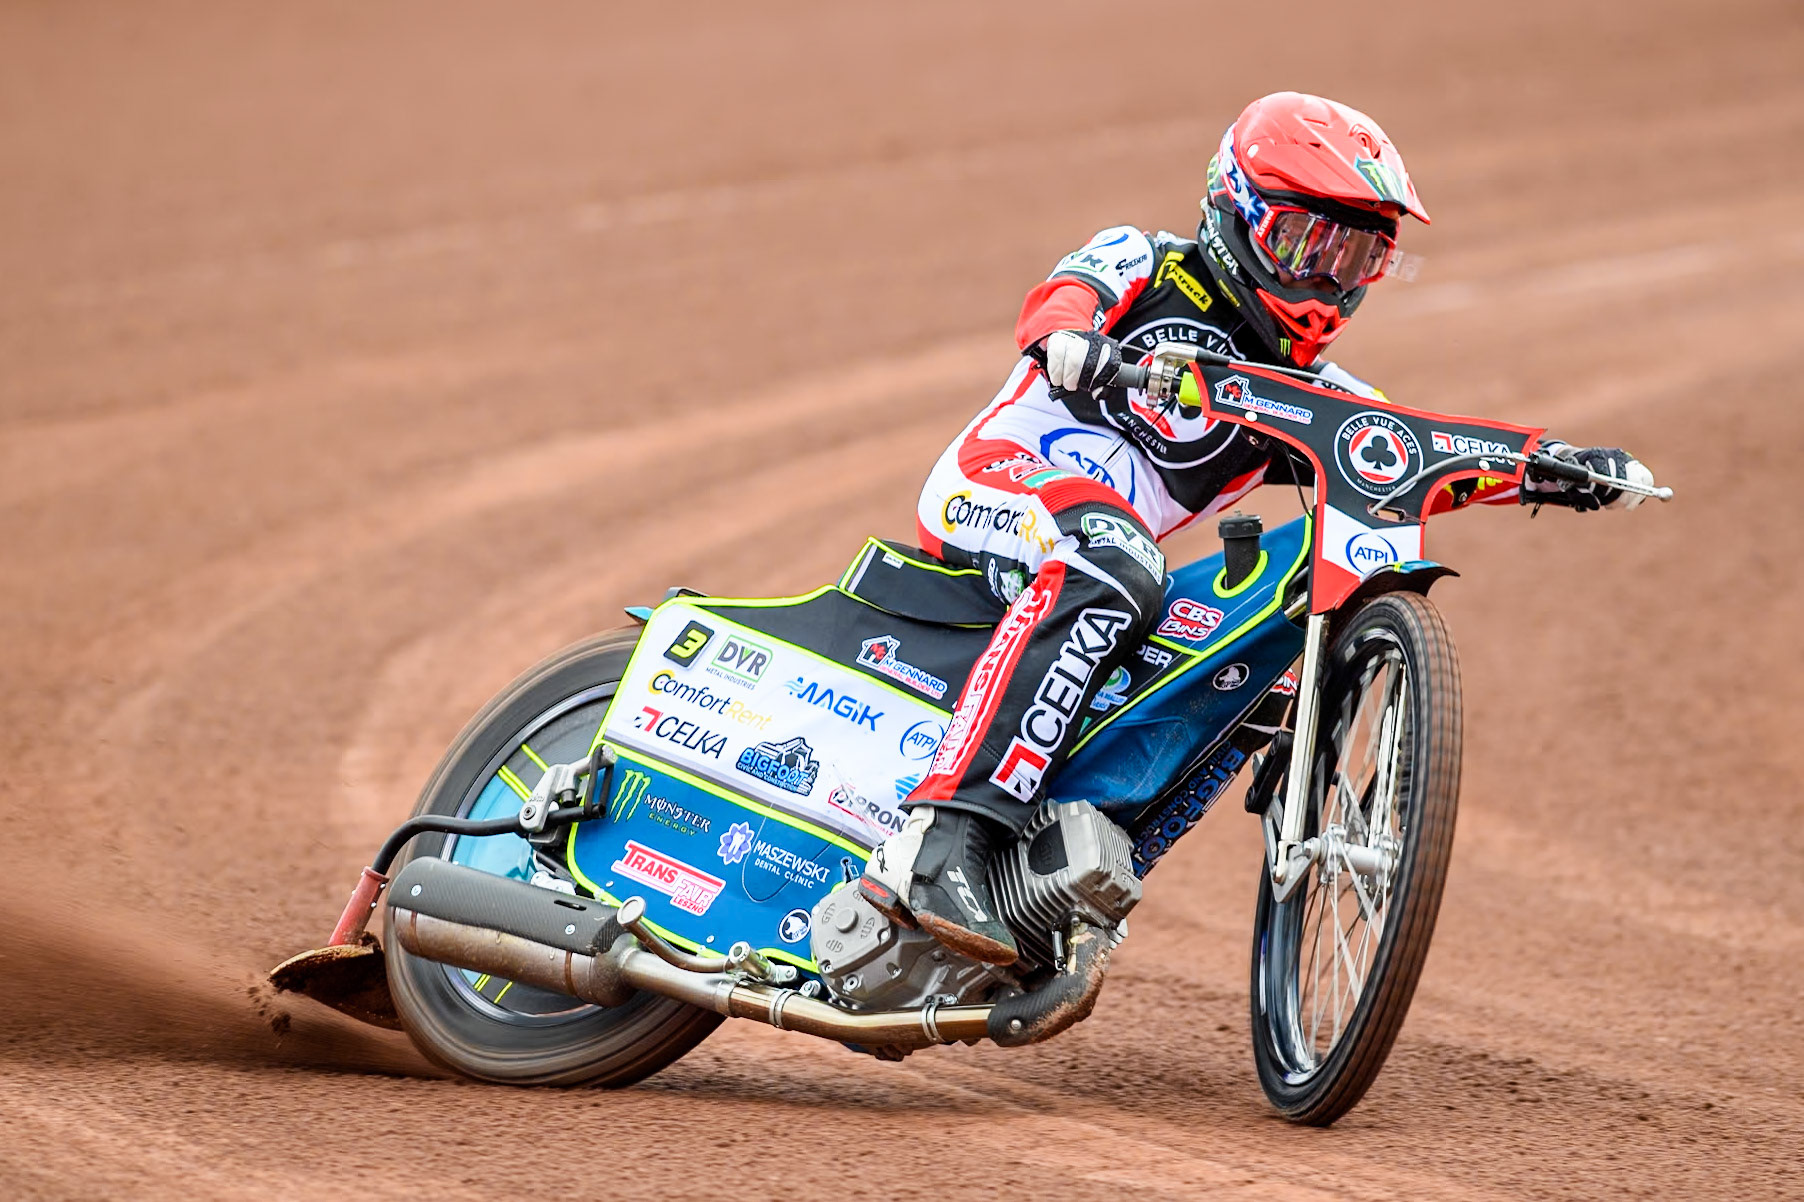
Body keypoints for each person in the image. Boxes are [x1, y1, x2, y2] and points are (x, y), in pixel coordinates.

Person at [858, 91, 1655, 966]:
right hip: (999, 479)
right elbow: (1060, 298)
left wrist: (1553, 469)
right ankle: (945, 839)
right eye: (1304, 242)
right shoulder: (1143, 258)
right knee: (1120, 562)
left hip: (1101, 551)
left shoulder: (1320, 392)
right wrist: (1071, 341)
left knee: (1248, 667)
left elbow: (1414, 459)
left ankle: (1059, 885)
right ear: (1233, 208)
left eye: (1353, 255)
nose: (1324, 279)